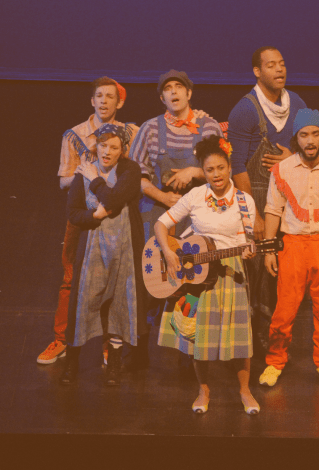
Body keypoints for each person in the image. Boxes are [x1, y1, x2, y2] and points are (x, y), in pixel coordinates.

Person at [155, 135, 260, 414]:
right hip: (197, 271)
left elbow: (247, 239)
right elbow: (160, 224)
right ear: (204, 170)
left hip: (230, 270)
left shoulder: (244, 200)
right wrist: (168, 252)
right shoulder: (195, 196)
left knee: (239, 337)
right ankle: (203, 391)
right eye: (210, 169)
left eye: (221, 168)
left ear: (228, 167)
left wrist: (249, 250)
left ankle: (245, 391)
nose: (216, 175)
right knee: (199, 336)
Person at [37, 77, 139, 365]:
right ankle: (62, 339)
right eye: (99, 96)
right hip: (88, 214)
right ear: (91, 101)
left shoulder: (130, 131)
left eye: (110, 96)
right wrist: (89, 175)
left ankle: (111, 343)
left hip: (118, 218)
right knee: (72, 278)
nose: (104, 101)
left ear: (119, 102)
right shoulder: (75, 134)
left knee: (117, 283)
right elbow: (63, 180)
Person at [129, 70, 223, 365]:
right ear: (162, 97)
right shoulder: (150, 129)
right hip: (158, 212)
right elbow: (134, 176)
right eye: (167, 89)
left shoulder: (208, 126)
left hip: (196, 216)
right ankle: (139, 349)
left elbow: (219, 169)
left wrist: (194, 171)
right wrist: (164, 198)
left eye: (179, 87)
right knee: (152, 279)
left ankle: (189, 351)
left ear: (189, 93)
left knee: (193, 280)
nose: (173, 92)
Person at [259, 109, 319, 387]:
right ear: (296, 138)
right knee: (285, 310)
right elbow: (273, 210)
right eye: (304, 135)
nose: (310, 140)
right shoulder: (283, 170)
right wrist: (268, 249)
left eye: (315, 134)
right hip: (293, 245)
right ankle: (276, 360)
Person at [227, 47, 307, 347]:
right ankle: (251, 334)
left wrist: (293, 154)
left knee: (283, 269)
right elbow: (236, 166)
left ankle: (276, 330)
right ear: (257, 72)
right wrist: (254, 214)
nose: (279, 70)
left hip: (288, 199)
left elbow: (314, 139)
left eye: (282, 64)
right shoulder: (245, 110)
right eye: (271, 65)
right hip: (257, 197)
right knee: (255, 269)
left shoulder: (296, 103)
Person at [59, 124, 146, 385]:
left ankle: (115, 363)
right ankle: (72, 363)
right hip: (93, 246)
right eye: (103, 145)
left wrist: (95, 179)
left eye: (114, 147)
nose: (107, 151)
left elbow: (114, 198)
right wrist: (92, 215)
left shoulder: (130, 170)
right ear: (96, 145)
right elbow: (73, 213)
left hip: (125, 246)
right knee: (85, 301)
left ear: (123, 151)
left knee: (121, 302)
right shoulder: (82, 173)